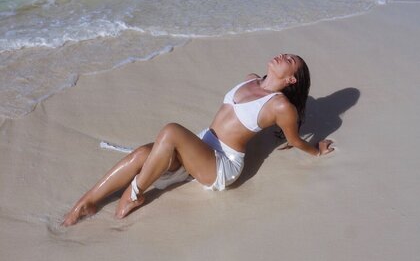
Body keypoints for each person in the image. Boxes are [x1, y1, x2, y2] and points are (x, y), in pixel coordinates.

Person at [63, 53, 334, 226]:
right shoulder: (250, 80)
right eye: (285, 54)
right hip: (201, 148)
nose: (283, 55)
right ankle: (86, 203)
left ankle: (133, 194)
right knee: (142, 154)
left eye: (290, 60)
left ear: (291, 79)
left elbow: (295, 140)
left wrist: (317, 150)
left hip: (222, 164)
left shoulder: (280, 106)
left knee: (171, 131)